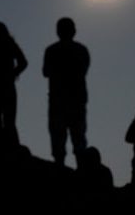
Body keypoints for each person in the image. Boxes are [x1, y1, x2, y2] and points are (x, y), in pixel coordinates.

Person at [43, 17, 90, 168]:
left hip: (60, 101)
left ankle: (61, 169)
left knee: (60, 139)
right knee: (77, 139)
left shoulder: (51, 51)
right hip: (74, 100)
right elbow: (83, 70)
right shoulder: (81, 50)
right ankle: (79, 170)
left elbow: (46, 72)